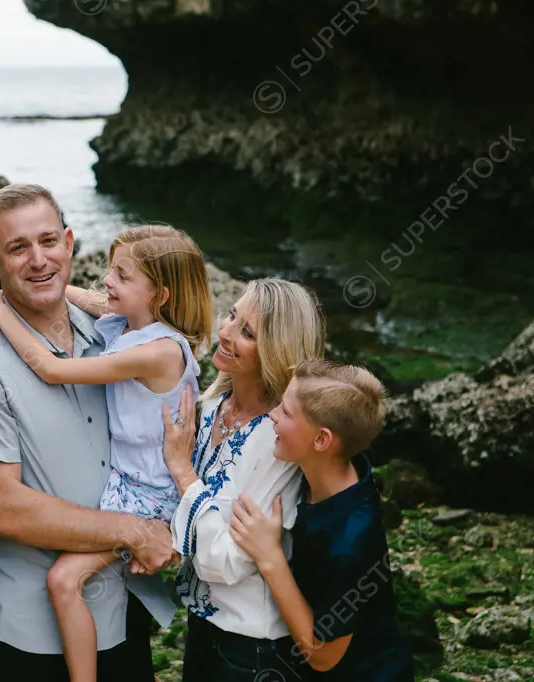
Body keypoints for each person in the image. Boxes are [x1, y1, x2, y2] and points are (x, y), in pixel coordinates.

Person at [0, 184, 175, 682]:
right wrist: (137, 531)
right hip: (27, 638)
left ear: (70, 242)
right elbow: (3, 508)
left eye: (49, 241)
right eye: (17, 248)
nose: (38, 259)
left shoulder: (115, 334)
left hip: (122, 612)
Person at [160, 278, 326, 682]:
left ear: (275, 353)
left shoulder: (279, 441)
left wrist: (183, 472)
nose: (226, 331)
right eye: (232, 315)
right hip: (201, 626)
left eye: (247, 332)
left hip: (251, 650)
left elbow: (226, 563)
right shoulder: (214, 402)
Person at [228, 360, 415, 681]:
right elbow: (340, 399)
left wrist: (269, 558)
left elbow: (323, 655)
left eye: (285, 412)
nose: (272, 415)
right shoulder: (343, 462)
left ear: (321, 440)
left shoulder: (350, 542)